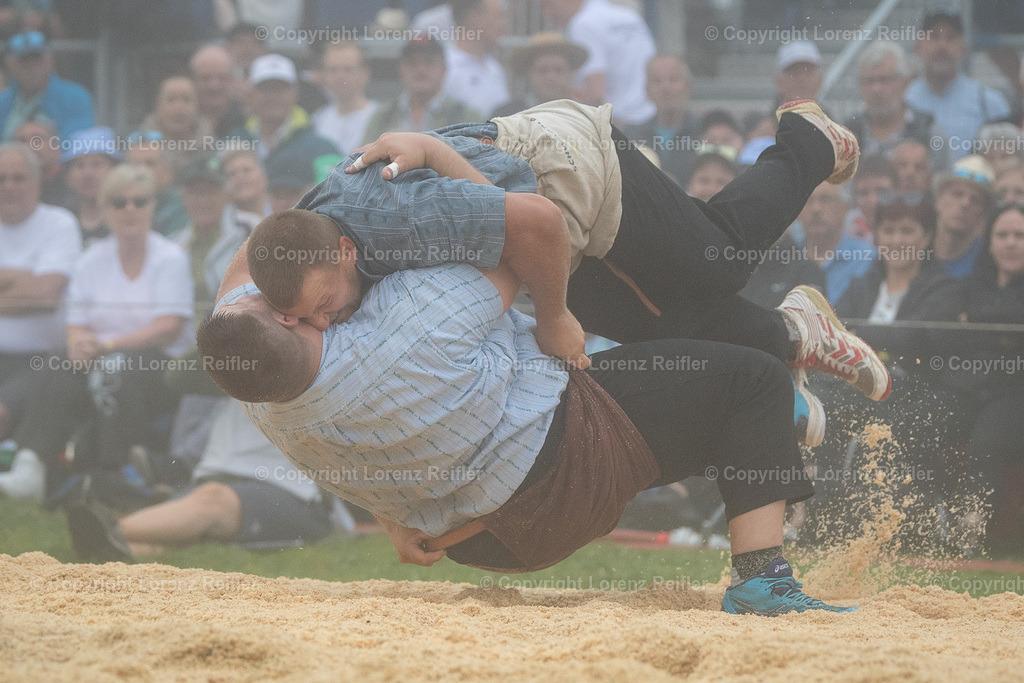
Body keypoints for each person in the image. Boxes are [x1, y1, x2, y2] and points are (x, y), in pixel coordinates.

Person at [197, 249, 856, 615]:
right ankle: (761, 578)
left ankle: (772, 429)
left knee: (709, 398)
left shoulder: (260, 391)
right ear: (289, 319)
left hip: (481, 544)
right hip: (567, 467)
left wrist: (392, 518)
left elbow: (238, 280)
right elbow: (522, 246)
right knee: (755, 380)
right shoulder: (404, 329)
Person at [236, 99, 890, 453]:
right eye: (308, 317)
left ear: (344, 257)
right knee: (658, 326)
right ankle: (788, 336)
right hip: (526, 219)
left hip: (567, 170)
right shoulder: (303, 247)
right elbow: (256, 268)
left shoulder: (403, 212)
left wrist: (553, 316)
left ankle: (807, 139)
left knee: (716, 261)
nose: (327, 321)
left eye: (325, 303)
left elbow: (532, 214)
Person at [0, 165, 191, 500]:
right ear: (105, 211)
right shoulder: (91, 259)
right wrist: (79, 345)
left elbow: (167, 328)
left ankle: (111, 472)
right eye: (119, 203)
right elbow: (76, 322)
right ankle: (31, 467)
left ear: (152, 207)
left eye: (139, 201)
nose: (130, 209)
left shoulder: (170, 258)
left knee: (113, 369)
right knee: (59, 362)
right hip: (101, 355)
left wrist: (108, 345)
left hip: (156, 364)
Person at [63, 398, 334, 563]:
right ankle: (107, 545)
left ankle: (109, 529)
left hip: (290, 492)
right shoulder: (235, 364)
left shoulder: (314, 367)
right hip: (210, 482)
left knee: (212, 500)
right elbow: (182, 374)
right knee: (166, 536)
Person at [0, 143, 80, 453]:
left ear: (37, 183)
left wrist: (31, 286)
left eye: (18, 178)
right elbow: (37, 290)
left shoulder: (59, 224)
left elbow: (47, 295)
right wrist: (24, 280)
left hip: (39, 361)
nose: (9, 186)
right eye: (1, 178)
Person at [906, 11, 1011, 162]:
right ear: (918, 47)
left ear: (963, 47)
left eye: (950, 38)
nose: (942, 46)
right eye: (934, 37)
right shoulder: (905, 100)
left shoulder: (989, 103)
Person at [229, 54, 341, 183]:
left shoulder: (321, 147)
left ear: (295, 92)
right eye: (265, 88)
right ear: (251, 93)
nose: (272, 96)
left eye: (280, 88)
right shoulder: (235, 139)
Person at [541, 0, 655, 126]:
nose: (546, 14)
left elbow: (596, 94)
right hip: (649, 118)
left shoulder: (583, 23)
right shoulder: (630, 16)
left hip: (617, 124)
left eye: (548, 4)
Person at [844, 41, 949, 171]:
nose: (876, 89)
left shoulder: (929, 133)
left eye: (884, 80)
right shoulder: (847, 134)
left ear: (904, 83)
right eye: (869, 81)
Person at [362, 37, 482, 142]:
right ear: (401, 69)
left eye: (429, 62)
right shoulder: (383, 116)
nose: (420, 70)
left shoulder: (467, 118)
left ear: (444, 69)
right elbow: (363, 158)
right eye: (412, 63)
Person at [623, 54, 700, 187]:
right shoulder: (630, 138)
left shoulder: (705, 133)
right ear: (647, 91)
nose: (666, 87)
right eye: (657, 81)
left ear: (688, 87)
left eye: (673, 79)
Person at [0, 31, 93, 141]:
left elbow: (76, 145)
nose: (32, 68)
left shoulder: (75, 98)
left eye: (38, 60)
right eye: (24, 62)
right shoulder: (3, 102)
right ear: (11, 65)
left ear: (50, 61)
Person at [795, 181, 876, 303]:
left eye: (825, 199)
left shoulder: (868, 259)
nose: (816, 208)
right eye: (808, 200)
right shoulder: (785, 256)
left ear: (845, 207)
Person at [179, 156, 230, 319]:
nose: (203, 200)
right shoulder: (174, 245)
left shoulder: (249, 233)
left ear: (226, 194)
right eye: (196, 192)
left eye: (211, 191)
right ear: (184, 197)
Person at [491, 32, 587, 119]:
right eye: (543, 70)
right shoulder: (507, 115)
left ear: (571, 73)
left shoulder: (584, 115)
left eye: (558, 70)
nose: (551, 77)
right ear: (529, 74)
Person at [441, 0, 509, 119]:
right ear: (475, 18)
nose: (504, 25)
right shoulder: (444, 65)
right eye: (499, 16)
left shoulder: (495, 67)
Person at [312, 41, 379, 157]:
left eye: (348, 69)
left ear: (365, 74)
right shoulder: (317, 121)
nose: (340, 76)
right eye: (333, 70)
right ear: (324, 75)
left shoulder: (381, 117)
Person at [932, 154, 995, 278]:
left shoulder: (989, 264)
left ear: (983, 215)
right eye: (957, 194)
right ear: (938, 201)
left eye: (975, 200)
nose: (965, 204)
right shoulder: (916, 250)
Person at [124, 134, 191, 243]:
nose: (141, 171)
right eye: (134, 165)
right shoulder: (117, 206)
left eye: (150, 164)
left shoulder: (184, 208)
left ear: (168, 171)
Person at [62, 126, 121, 248]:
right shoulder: (61, 219)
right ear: (68, 176)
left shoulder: (129, 215)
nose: (88, 174)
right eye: (80, 165)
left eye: (97, 164)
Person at [139, 76, 212, 173]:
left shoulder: (212, 149)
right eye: (171, 99)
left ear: (197, 106)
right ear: (158, 105)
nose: (179, 107)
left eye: (186, 100)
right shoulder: (138, 148)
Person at [189, 44, 248, 139]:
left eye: (222, 78)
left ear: (233, 80)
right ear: (193, 80)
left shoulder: (246, 119)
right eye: (205, 78)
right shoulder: (182, 119)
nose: (214, 86)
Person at [13, 119, 67, 207]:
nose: (29, 145)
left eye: (37, 139)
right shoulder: (6, 185)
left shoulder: (72, 184)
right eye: (23, 140)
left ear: (55, 147)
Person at [845, 154, 898, 242]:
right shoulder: (846, 235)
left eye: (881, 191)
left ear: (898, 192)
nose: (872, 201)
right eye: (863, 193)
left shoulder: (915, 230)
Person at [774, 41, 823, 109]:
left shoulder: (832, 119)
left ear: (820, 80)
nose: (801, 78)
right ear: (779, 81)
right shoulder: (760, 119)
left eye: (808, 71)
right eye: (793, 72)